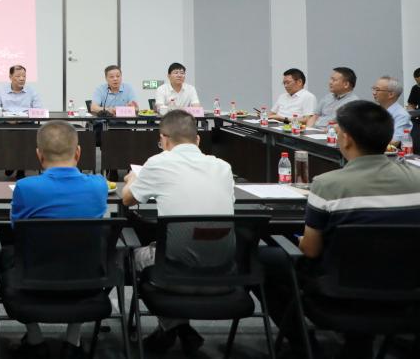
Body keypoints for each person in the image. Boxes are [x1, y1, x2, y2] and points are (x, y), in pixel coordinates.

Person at [263, 101, 420, 358]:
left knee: (263, 259)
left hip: (337, 291)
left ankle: (304, 345)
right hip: (407, 290)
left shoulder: (329, 184)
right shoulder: (417, 180)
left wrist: (294, 237)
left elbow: (311, 250)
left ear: (345, 139)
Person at [122, 109, 234, 354]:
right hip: (224, 273)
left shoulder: (158, 162)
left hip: (173, 273)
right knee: (171, 247)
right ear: (198, 140)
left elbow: (128, 199)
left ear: (164, 140)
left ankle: (172, 327)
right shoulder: (223, 167)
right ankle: (179, 328)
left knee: (127, 256)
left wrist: (131, 180)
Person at [8, 120, 108, 359]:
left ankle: (35, 340)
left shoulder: (25, 188)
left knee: (7, 256)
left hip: (33, 282)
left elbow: (16, 230)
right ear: (78, 153)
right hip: (87, 283)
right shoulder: (99, 186)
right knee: (82, 250)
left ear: (39, 155)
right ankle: (72, 341)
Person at [371, 76, 413, 145]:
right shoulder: (374, 111)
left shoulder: (401, 115)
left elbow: (395, 142)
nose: (374, 93)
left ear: (391, 94)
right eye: (373, 89)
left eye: (377, 90)